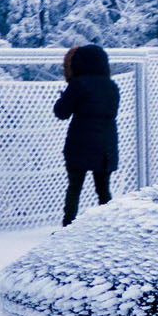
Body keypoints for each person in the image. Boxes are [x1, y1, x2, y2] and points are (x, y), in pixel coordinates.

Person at [54, 44, 119, 226]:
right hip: (106, 145)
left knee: (74, 188)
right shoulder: (112, 86)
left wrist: (63, 98)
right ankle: (108, 226)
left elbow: (61, 112)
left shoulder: (78, 85)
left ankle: (68, 226)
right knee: (104, 191)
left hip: (80, 144)